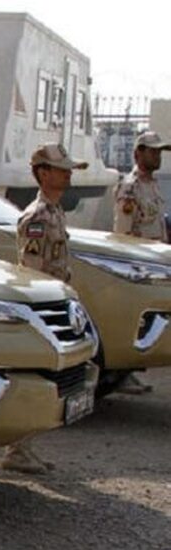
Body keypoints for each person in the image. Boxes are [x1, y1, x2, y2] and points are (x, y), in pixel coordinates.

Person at [5, 142, 87, 474]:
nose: (68, 175)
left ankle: (25, 447)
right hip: (42, 310)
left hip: (56, 306)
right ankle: (16, 449)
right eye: (61, 169)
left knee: (50, 379)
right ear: (42, 173)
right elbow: (31, 273)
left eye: (68, 169)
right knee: (35, 381)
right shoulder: (37, 217)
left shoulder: (55, 211)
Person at [111, 131, 170, 394]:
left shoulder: (152, 185)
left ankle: (130, 371)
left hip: (156, 264)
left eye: (159, 152)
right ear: (138, 153)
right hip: (139, 266)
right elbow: (123, 234)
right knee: (134, 322)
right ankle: (121, 374)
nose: (158, 156)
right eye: (153, 151)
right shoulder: (130, 187)